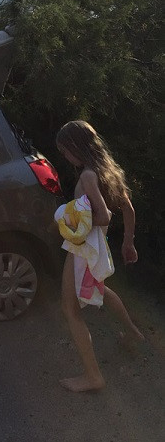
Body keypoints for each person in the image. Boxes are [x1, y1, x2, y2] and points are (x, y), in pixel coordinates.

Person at [55, 120, 144, 392]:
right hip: (97, 245)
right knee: (101, 289)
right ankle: (133, 333)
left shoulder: (87, 176)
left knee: (70, 309)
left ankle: (93, 377)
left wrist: (72, 223)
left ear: (75, 146)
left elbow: (104, 215)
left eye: (65, 150)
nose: (65, 156)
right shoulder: (108, 171)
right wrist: (128, 243)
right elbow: (128, 209)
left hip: (83, 248)